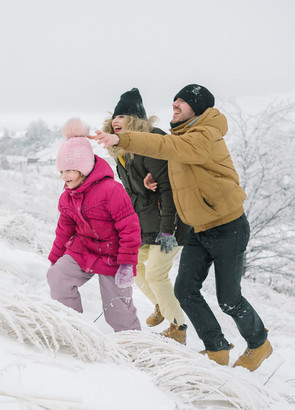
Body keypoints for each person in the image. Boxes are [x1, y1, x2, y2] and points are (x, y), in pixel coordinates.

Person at [89, 84, 272, 371]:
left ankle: (259, 342)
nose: (175, 104)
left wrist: (122, 138)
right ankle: (216, 347)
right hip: (199, 228)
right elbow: (175, 168)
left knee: (229, 300)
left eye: (183, 102)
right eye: (174, 100)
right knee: (185, 291)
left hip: (228, 227)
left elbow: (167, 147)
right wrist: (151, 184)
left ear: (198, 109)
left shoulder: (205, 136)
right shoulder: (183, 136)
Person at [102, 88, 190, 344]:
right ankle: (163, 306)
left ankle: (178, 326)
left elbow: (169, 191)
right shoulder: (123, 152)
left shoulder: (150, 145)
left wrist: (167, 232)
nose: (116, 121)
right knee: (134, 270)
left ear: (136, 120)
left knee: (155, 275)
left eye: (123, 116)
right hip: (144, 223)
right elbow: (137, 192)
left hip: (169, 223)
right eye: (114, 117)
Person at [47, 117, 142, 332]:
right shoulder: (67, 197)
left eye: (70, 170)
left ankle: (135, 347)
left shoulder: (111, 190)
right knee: (58, 277)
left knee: (118, 312)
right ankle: (73, 329)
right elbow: (64, 230)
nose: (65, 176)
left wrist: (127, 264)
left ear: (84, 168)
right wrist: (55, 259)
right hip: (84, 250)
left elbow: (130, 228)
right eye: (62, 171)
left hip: (114, 255)